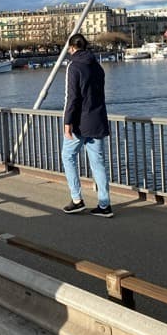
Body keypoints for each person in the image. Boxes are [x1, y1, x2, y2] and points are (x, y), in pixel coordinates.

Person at [61, 34, 113, 217]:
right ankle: (105, 205)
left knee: (67, 156)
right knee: (98, 163)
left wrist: (67, 122)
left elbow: (72, 97)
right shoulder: (97, 66)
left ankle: (77, 200)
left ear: (72, 48)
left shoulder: (73, 66)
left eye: (69, 48)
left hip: (80, 122)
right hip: (97, 119)